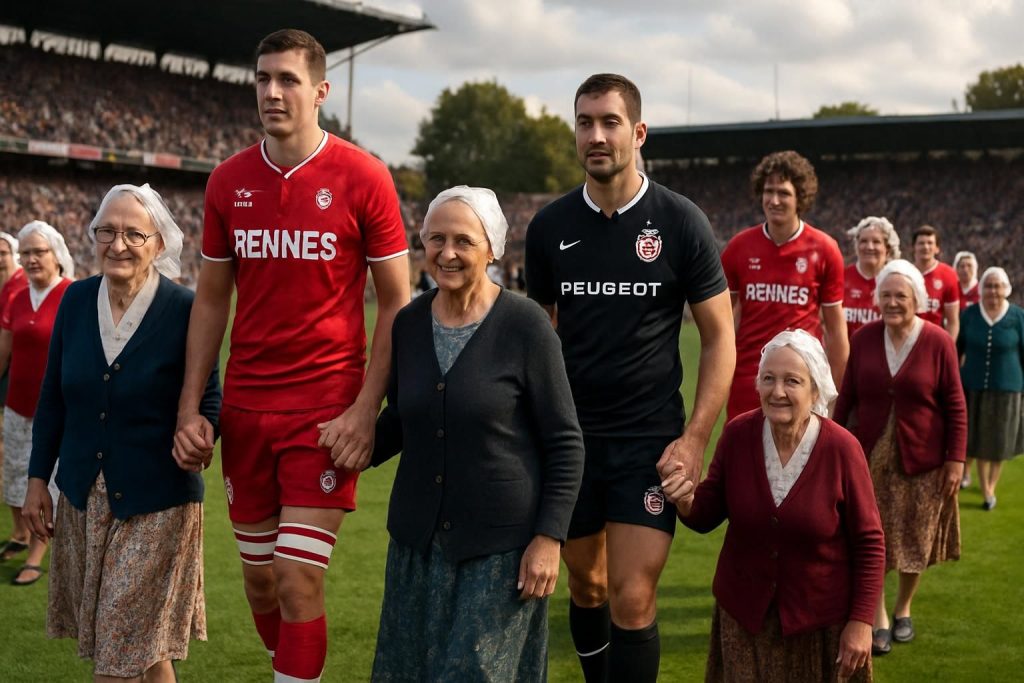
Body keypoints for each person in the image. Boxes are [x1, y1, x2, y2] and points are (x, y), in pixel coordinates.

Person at [172, 29, 410, 683]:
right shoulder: (228, 181)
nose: (272, 92)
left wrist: (366, 410)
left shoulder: (364, 177)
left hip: (326, 415)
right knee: (260, 586)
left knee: (297, 576)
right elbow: (212, 301)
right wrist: (191, 406)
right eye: (263, 79)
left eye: (288, 80)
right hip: (247, 411)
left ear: (320, 91)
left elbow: (396, 302)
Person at [525, 73, 735, 682]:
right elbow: (539, 338)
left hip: (648, 440)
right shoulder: (549, 227)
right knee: (587, 587)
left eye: (610, 122)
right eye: (585, 123)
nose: (597, 135)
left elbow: (721, 338)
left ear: (638, 132)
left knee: (633, 595)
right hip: (572, 442)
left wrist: (694, 439)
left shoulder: (680, 221)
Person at [369, 186, 584, 680]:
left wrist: (549, 538)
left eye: (464, 241)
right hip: (416, 549)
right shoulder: (409, 323)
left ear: (493, 248)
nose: (447, 253)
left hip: (499, 553)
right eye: (436, 239)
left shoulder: (526, 324)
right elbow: (402, 419)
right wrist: (346, 444)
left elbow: (566, 442)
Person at [23, 184, 222, 681]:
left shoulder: (183, 309)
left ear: (159, 243)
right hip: (82, 496)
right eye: (106, 231)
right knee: (147, 651)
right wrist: (34, 480)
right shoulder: (74, 301)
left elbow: (210, 399)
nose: (118, 244)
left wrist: (202, 429)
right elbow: (53, 398)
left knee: (117, 655)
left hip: (158, 500)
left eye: (134, 233)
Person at [663, 330, 884, 682]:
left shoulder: (842, 448)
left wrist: (860, 622)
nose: (777, 391)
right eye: (768, 379)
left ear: (815, 389)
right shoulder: (738, 435)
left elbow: (870, 543)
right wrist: (685, 497)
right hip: (743, 619)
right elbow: (706, 513)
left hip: (819, 625)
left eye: (791, 381)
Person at [834, 259, 966, 656]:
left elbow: (956, 404)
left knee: (915, 539)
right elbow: (847, 400)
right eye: (886, 295)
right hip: (870, 459)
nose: (892, 303)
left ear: (917, 299)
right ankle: (878, 618)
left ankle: (904, 607)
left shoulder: (938, 340)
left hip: (924, 462)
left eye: (901, 296)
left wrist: (956, 459)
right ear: (877, 299)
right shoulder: (864, 339)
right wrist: (831, 447)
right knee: (871, 539)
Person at [721, 151, 847, 420]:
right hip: (750, 379)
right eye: (769, 191)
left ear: (800, 196)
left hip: (801, 380)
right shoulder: (738, 247)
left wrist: (835, 393)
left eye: (784, 193)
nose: (774, 200)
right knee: (747, 459)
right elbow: (719, 323)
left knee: (801, 460)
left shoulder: (825, 249)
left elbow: (836, 332)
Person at [0, 221, 73, 585]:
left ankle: (37, 552)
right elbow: (4, 350)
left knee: (47, 482)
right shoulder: (16, 297)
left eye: (38, 252)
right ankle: (20, 532)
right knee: (13, 474)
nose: (31, 259)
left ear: (56, 254)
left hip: (58, 410)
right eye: (25, 253)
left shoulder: (72, 294)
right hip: (17, 404)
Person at [957, 266, 1024, 510]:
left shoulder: (1018, 317)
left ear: (1005, 288)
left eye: (997, 286)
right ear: (981, 288)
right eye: (988, 285)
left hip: (1008, 389)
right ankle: (986, 490)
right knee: (977, 439)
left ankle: (991, 485)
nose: (992, 291)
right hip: (973, 386)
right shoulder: (970, 314)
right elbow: (958, 348)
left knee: (1000, 441)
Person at [844, 217, 900, 338]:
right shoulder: (841, 278)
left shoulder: (897, 282)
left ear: (888, 248)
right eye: (864, 241)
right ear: (857, 246)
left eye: (876, 242)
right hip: (846, 355)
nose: (869, 247)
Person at [953, 250, 980, 488]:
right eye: (961, 265)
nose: (965, 269)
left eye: (969, 265)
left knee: (966, 416)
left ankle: (966, 468)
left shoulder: (981, 293)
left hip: (971, 361)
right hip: (951, 355)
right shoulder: (951, 289)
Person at [910, 225, 959, 339]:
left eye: (930, 243)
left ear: (937, 248)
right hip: (906, 339)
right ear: (913, 247)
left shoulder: (948, 274)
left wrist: (948, 347)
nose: (926, 247)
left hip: (934, 339)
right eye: (921, 243)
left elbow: (952, 321)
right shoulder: (904, 273)